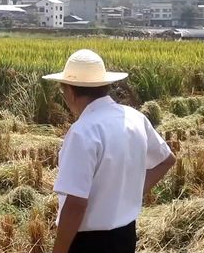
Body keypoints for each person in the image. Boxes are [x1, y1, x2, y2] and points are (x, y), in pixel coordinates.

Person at [42, 49, 176, 253]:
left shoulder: (83, 132)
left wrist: (59, 251)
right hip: (126, 235)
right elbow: (166, 160)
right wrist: (131, 192)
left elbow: (76, 204)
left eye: (63, 93)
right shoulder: (134, 118)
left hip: (89, 243)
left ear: (69, 91)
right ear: (105, 86)